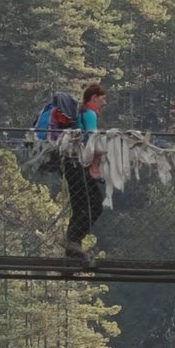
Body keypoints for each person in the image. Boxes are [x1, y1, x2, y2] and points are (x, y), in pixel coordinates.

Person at [61, 83, 107, 259]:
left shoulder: (80, 114)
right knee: (95, 205)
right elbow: (91, 137)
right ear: (93, 98)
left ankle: (72, 248)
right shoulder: (89, 114)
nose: (103, 104)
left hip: (70, 165)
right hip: (79, 166)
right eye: (102, 100)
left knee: (79, 205)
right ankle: (72, 240)